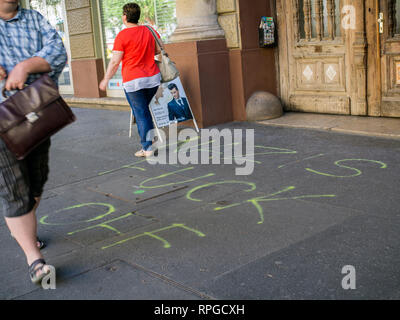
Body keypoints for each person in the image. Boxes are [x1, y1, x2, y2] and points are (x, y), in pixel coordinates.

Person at [0, 0, 67, 284]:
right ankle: (34, 260)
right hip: (1, 118)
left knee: (36, 180)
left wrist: (26, 66)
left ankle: (24, 229)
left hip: (36, 110)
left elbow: (58, 52)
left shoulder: (34, 18)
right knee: (14, 187)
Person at [99, 2, 161, 158]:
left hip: (134, 81)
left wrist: (105, 80)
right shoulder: (149, 30)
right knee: (143, 111)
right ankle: (150, 142)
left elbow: (114, 62)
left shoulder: (122, 36)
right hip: (152, 79)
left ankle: (147, 147)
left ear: (125, 17)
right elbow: (159, 49)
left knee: (141, 113)